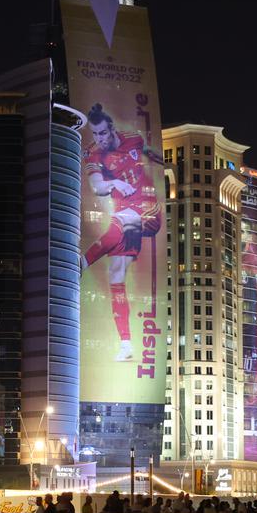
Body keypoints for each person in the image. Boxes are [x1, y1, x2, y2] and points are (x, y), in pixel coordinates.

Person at [79, 103, 165, 361]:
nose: (100, 139)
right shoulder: (95, 156)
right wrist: (113, 182)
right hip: (126, 220)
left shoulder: (133, 139)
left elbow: (149, 151)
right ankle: (126, 345)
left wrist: (170, 165)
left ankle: (81, 262)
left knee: (124, 220)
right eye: (95, 134)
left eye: (103, 133)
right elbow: (96, 187)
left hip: (148, 210)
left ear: (111, 129)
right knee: (116, 275)